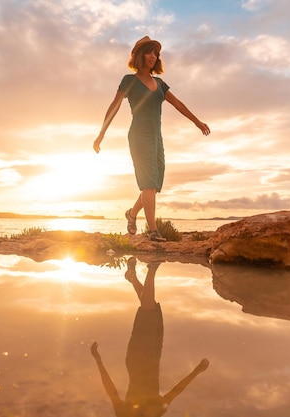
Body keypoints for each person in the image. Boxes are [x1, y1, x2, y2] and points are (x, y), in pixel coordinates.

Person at [93, 36, 211, 242]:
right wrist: (101, 133)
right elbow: (115, 105)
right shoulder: (129, 80)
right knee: (148, 183)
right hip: (139, 136)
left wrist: (197, 121)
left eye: (155, 53)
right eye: (149, 52)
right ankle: (153, 231)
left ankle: (131, 214)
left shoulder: (160, 83)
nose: (153, 56)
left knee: (154, 184)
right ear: (140, 55)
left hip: (157, 137)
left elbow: (178, 104)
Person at [90, 257, 210, 416]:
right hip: (153, 353)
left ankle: (152, 267)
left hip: (136, 359)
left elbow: (110, 389)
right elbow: (175, 392)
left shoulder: (123, 414)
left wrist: (98, 359)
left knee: (148, 310)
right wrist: (195, 372)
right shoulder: (155, 413)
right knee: (150, 309)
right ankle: (132, 277)